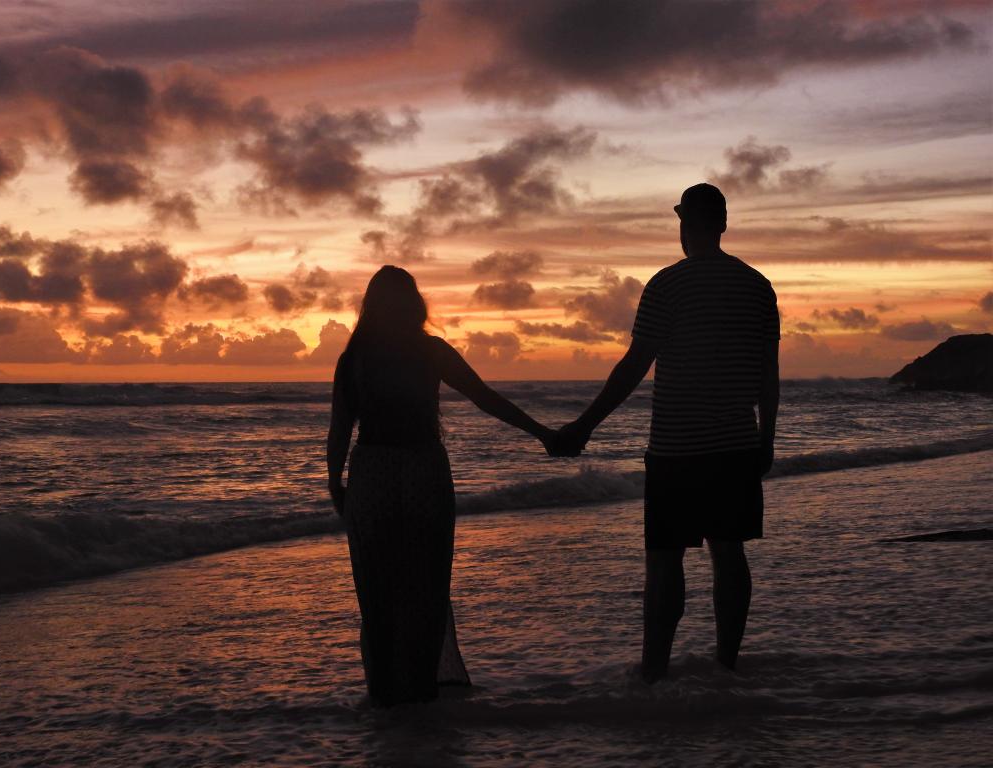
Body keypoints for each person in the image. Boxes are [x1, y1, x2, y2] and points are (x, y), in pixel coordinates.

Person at [552, 183, 780, 682]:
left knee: (664, 561)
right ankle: (726, 666)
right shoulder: (758, 286)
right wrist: (768, 437)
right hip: (737, 444)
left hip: (677, 447)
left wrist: (583, 426)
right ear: (721, 225)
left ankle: (653, 672)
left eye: (684, 222)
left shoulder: (666, 285)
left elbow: (634, 366)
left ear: (687, 227)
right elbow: (767, 372)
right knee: (729, 553)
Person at [327, 265, 555, 707]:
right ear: (416, 305)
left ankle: (384, 699)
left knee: (377, 595)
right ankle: (420, 695)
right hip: (422, 475)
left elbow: (340, 429)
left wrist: (335, 483)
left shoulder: (354, 357)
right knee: (425, 589)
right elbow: (484, 397)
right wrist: (542, 433)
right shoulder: (429, 351)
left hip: (371, 478)